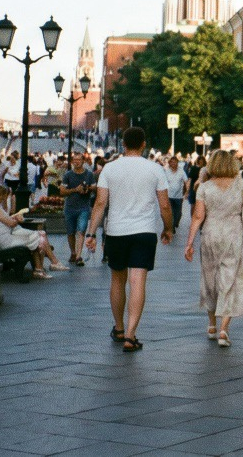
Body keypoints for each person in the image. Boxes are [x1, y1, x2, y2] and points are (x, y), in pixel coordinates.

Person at [85, 127, 173, 353]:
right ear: (143, 144)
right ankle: (131, 335)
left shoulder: (109, 168)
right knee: (137, 281)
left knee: (117, 280)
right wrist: (168, 228)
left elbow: (100, 203)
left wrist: (91, 233)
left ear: (123, 144)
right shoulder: (155, 169)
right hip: (144, 231)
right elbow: (164, 205)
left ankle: (119, 327)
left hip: (116, 231)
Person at [183, 149, 243, 348]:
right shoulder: (241, 185)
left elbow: (198, 216)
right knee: (231, 280)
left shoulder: (204, 187)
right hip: (234, 236)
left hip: (210, 235)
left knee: (210, 279)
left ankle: (211, 325)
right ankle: (224, 329)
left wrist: (189, 243)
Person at [0, 185, 68, 278]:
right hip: (6, 241)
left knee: (38, 236)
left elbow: (5, 219)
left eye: (3, 195)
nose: (2, 198)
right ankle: (52, 264)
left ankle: (40, 269)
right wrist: (18, 219)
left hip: (5, 237)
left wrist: (14, 217)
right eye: (0, 195)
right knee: (40, 236)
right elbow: (11, 223)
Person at [60, 154, 97, 266]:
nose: (76, 162)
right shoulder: (68, 175)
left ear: (83, 161)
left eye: (78, 160)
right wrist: (75, 189)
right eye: (74, 160)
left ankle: (78, 256)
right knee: (70, 232)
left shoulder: (89, 174)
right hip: (70, 207)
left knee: (81, 231)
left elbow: (95, 187)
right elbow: (62, 191)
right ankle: (73, 252)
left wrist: (87, 188)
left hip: (83, 207)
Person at [163, 156, 188, 234]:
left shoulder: (181, 171)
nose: (173, 163)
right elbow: (163, 183)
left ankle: (176, 222)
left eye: (175, 162)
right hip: (169, 196)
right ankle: (172, 226)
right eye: (172, 162)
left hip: (178, 196)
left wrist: (187, 192)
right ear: (170, 163)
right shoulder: (167, 172)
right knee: (171, 213)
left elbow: (186, 181)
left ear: (177, 163)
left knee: (178, 213)